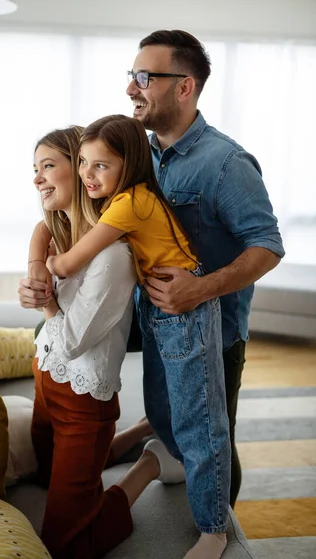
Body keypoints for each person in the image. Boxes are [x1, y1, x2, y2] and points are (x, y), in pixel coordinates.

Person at [30, 115, 231, 559]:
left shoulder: (122, 219)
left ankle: (207, 522)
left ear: (128, 165)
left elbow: (70, 286)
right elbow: (47, 223)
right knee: (162, 406)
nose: (88, 174)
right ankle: (147, 435)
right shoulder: (98, 214)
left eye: (99, 165)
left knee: (198, 426)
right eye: (84, 162)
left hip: (173, 319)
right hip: (138, 321)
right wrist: (36, 262)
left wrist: (46, 278)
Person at [126, 29, 286, 514]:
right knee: (171, 421)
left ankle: (223, 533)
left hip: (215, 336)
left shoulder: (226, 163)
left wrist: (201, 290)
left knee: (214, 444)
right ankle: (159, 452)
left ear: (184, 86)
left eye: (143, 77)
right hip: (156, 324)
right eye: (131, 76)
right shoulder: (139, 153)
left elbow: (268, 245)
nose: (132, 88)